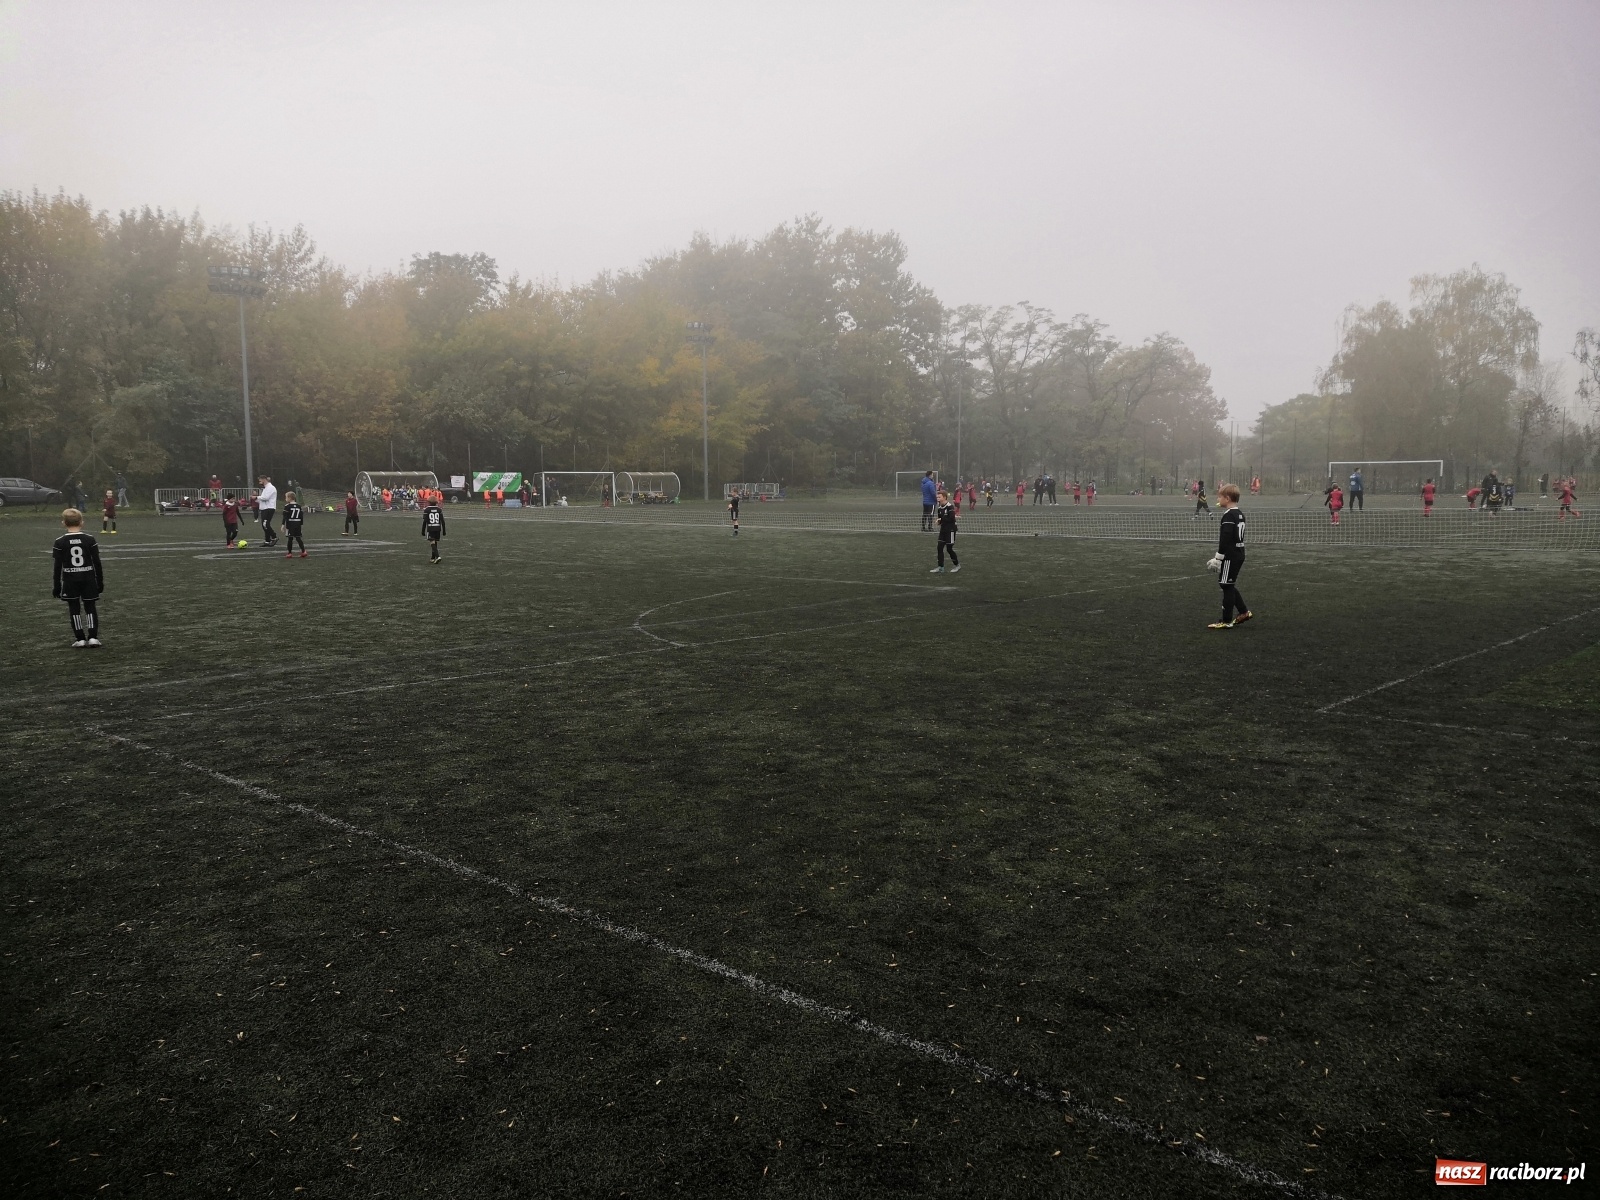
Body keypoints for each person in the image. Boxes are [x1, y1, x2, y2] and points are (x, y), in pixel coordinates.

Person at [52, 508, 105, 648]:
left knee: (74, 608)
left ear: (63, 523)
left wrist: (57, 586)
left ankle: (80, 638)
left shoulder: (59, 542)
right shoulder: (89, 539)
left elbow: (57, 567)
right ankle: (93, 637)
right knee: (90, 607)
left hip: (70, 580)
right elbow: (97, 563)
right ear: (82, 522)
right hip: (88, 578)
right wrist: (100, 581)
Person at [1207, 484, 1251, 629]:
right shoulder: (1239, 514)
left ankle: (1226, 621)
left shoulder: (1229, 515)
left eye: (1220, 496)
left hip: (1231, 555)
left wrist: (1218, 557)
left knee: (1226, 585)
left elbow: (1226, 537)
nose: (1218, 498)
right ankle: (1244, 612)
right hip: (1239, 553)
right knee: (1228, 584)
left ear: (1227, 498)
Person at [931, 489, 960, 574]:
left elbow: (951, 518)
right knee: (939, 547)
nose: (938, 498)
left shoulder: (950, 507)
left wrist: (941, 519)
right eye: (937, 497)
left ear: (944, 497)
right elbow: (942, 519)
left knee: (949, 549)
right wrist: (938, 521)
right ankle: (941, 567)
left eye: (939, 497)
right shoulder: (940, 508)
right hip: (943, 530)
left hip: (950, 530)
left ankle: (957, 565)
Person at [422, 495, 446, 562]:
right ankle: (432, 558)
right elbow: (443, 521)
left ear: (429, 502)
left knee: (432, 542)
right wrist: (444, 530)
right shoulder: (439, 510)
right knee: (435, 542)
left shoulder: (427, 510)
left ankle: (438, 556)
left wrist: (423, 530)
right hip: (438, 528)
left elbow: (425, 521)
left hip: (431, 528)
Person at [282, 492, 307, 558]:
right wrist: (301, 525)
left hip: (290, 524)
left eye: (286, 497)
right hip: (298, 524)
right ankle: (303, 551)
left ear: (289, 498)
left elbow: (285, 517)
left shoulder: (287, 506)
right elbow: (301, 517)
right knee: (298, 538)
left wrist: (283, 525)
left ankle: (289, 553)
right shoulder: (299, 506)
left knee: (290, 538)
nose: (285, 499)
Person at [256, 475, 278, 547]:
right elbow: (263, 499)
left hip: (269, 508)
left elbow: (266, 498)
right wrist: (258, 500)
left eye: (260, 480)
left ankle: (274, 537)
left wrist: (256, 497)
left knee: (266, 524)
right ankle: (267, 541)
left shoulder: (270, 488)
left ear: (264, 479)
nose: (259, 482)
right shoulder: (266, 488)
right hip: (264, 508)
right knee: (264, 525)